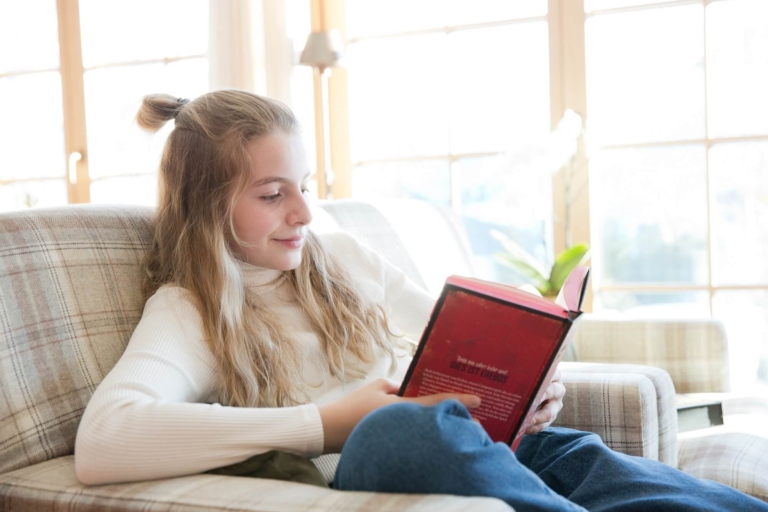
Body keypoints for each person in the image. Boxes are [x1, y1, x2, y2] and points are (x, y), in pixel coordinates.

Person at [74, 90, 767, 512]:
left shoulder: (339, 257)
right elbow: (103, 444)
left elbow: (451, 330)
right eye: (272, 194)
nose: (305, 213)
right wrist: (327, 423)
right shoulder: (190, 309)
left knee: (577, 452)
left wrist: (525, 390)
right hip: (376, 459)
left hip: (481, 450)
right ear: (206, 205)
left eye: (306, 185)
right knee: (396, 427)